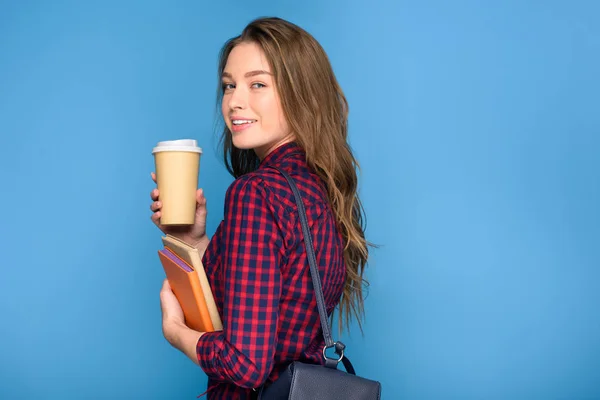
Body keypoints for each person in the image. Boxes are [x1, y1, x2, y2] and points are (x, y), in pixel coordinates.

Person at [150, 16, 370, 399]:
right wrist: (196, 241)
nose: (235, 101)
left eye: (257, 84)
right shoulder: (321, 189)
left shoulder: (256, 193)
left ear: (301, 93)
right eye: (229, 86)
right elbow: (270, 303)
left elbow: (246, 365)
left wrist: (178, 333)